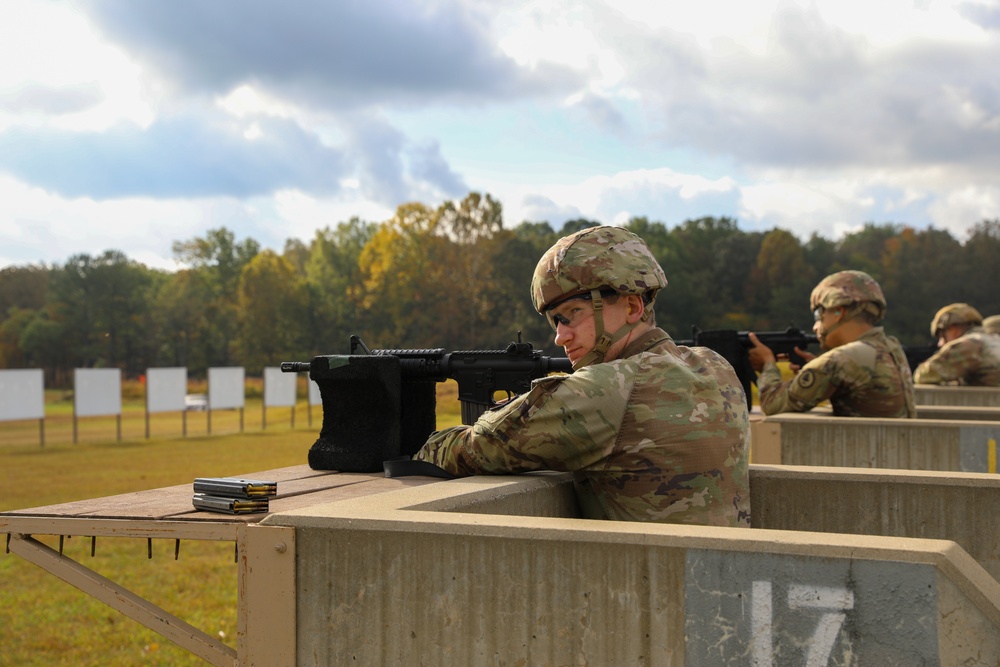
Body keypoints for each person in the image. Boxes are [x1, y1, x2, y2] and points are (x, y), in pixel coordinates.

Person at [413, 225, 751, 527]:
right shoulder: (716, 366)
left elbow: (475, 447)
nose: (560, 337)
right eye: (555, 321)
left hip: (645, 589)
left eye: (573, 314)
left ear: (633, 307)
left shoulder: (608, 389)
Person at [747, 270, 916, 418]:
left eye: (818, 314)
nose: (815, 326)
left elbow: (773, 405)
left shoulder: (839, 360)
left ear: (838, 311)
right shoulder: (891, 347)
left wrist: (767, 365)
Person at [912, 303, 1000, 386]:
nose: (940, 344)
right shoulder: (993, 339)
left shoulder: (969, 344)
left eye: (942, 336)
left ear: (953, 329)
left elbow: (924, 376)